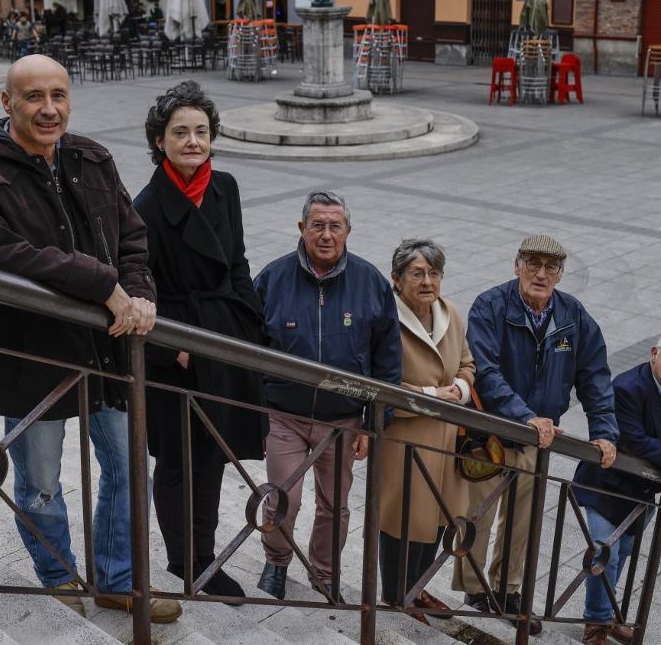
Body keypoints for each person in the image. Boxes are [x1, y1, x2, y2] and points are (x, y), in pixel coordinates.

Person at [0, 54, 181, 624]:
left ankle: (119, 581)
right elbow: (4, 255)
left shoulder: (91, 157)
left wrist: (139, 291)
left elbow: (132, 235)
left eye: (58, 95)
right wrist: (104, 285)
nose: (48, 109)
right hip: (31, 355)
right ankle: (56, 574)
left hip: (107, 349)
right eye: (33, 97)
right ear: (8, 103)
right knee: (41, 484)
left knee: (129, 469)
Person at [133, 80, 266, 601]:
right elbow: (139, 289)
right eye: (181, 132)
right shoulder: (144, 206)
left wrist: (249, 317)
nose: (193, 141)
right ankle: (186, 563)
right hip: (179, 350)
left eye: (202, 131)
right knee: (177, 458)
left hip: (224, 334)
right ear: (160, 141)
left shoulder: (225, 186)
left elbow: (235, 260)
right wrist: (177, 349)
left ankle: (205, 558)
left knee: (213, 454)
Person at [458, 234, 618, 635]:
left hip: (537, 438)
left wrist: (604, 432)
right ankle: (476, 588)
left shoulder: (572, 314)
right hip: (489, 432)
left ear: (560, 274)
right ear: (516, 266)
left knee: (523, 519)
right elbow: (486, 371)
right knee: (478, 511)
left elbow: (594, 375)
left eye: (551, 268)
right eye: (532, 264)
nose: (541, 274)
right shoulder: (490, 305)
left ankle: (508, 592)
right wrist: (524, 415)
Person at [254, 191, 401, 600]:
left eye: (335, 226)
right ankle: (276, 564)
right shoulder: (272, 278)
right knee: (284, 498)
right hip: (284, 414)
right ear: (301, 229)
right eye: (317, 225)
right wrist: (256, 410)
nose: (325, 234)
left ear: (349, 232)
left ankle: (324, 573)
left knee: (335, 506)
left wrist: (374, 425)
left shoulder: (371, 282)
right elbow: (250, 345)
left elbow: (388, 362)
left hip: (344, 420)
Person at [573, 332, 661, 645]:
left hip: (645, 494)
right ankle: (596, 624)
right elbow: (634, 441)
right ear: (654, 353)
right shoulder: (627, 387)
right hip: (609, 486)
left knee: (624, 552)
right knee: (605, 553)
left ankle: (606, 615)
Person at [376, 239, 474, 623]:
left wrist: (461, 389)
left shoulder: (451, 313)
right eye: (417, 273)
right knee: (401, 518)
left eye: (434, 273)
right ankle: (395, 594)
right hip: (406, 434)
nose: (428, 282)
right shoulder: (385, 318)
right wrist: (433, 393)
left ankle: (417, 588)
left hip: (447, 436)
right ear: (397, 279)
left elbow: (467, 363)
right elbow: (379, 380)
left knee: (437, 516)